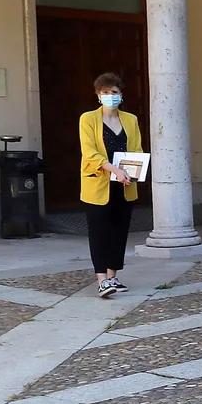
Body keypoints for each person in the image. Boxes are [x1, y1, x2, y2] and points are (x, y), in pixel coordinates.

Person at [78, 73, 143, 298]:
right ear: (98, 96)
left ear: (121, 95)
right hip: (98, 184)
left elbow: (137, 150)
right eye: (105, 93)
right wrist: (114, 169)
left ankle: (113, 276)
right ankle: (101, 280)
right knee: (99, 232)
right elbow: (89, 152)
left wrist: (133, 172)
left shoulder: (130, 120)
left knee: (119, 231)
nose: (110, 97)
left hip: (124, 185)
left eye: (114, 93)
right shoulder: (88, 119)